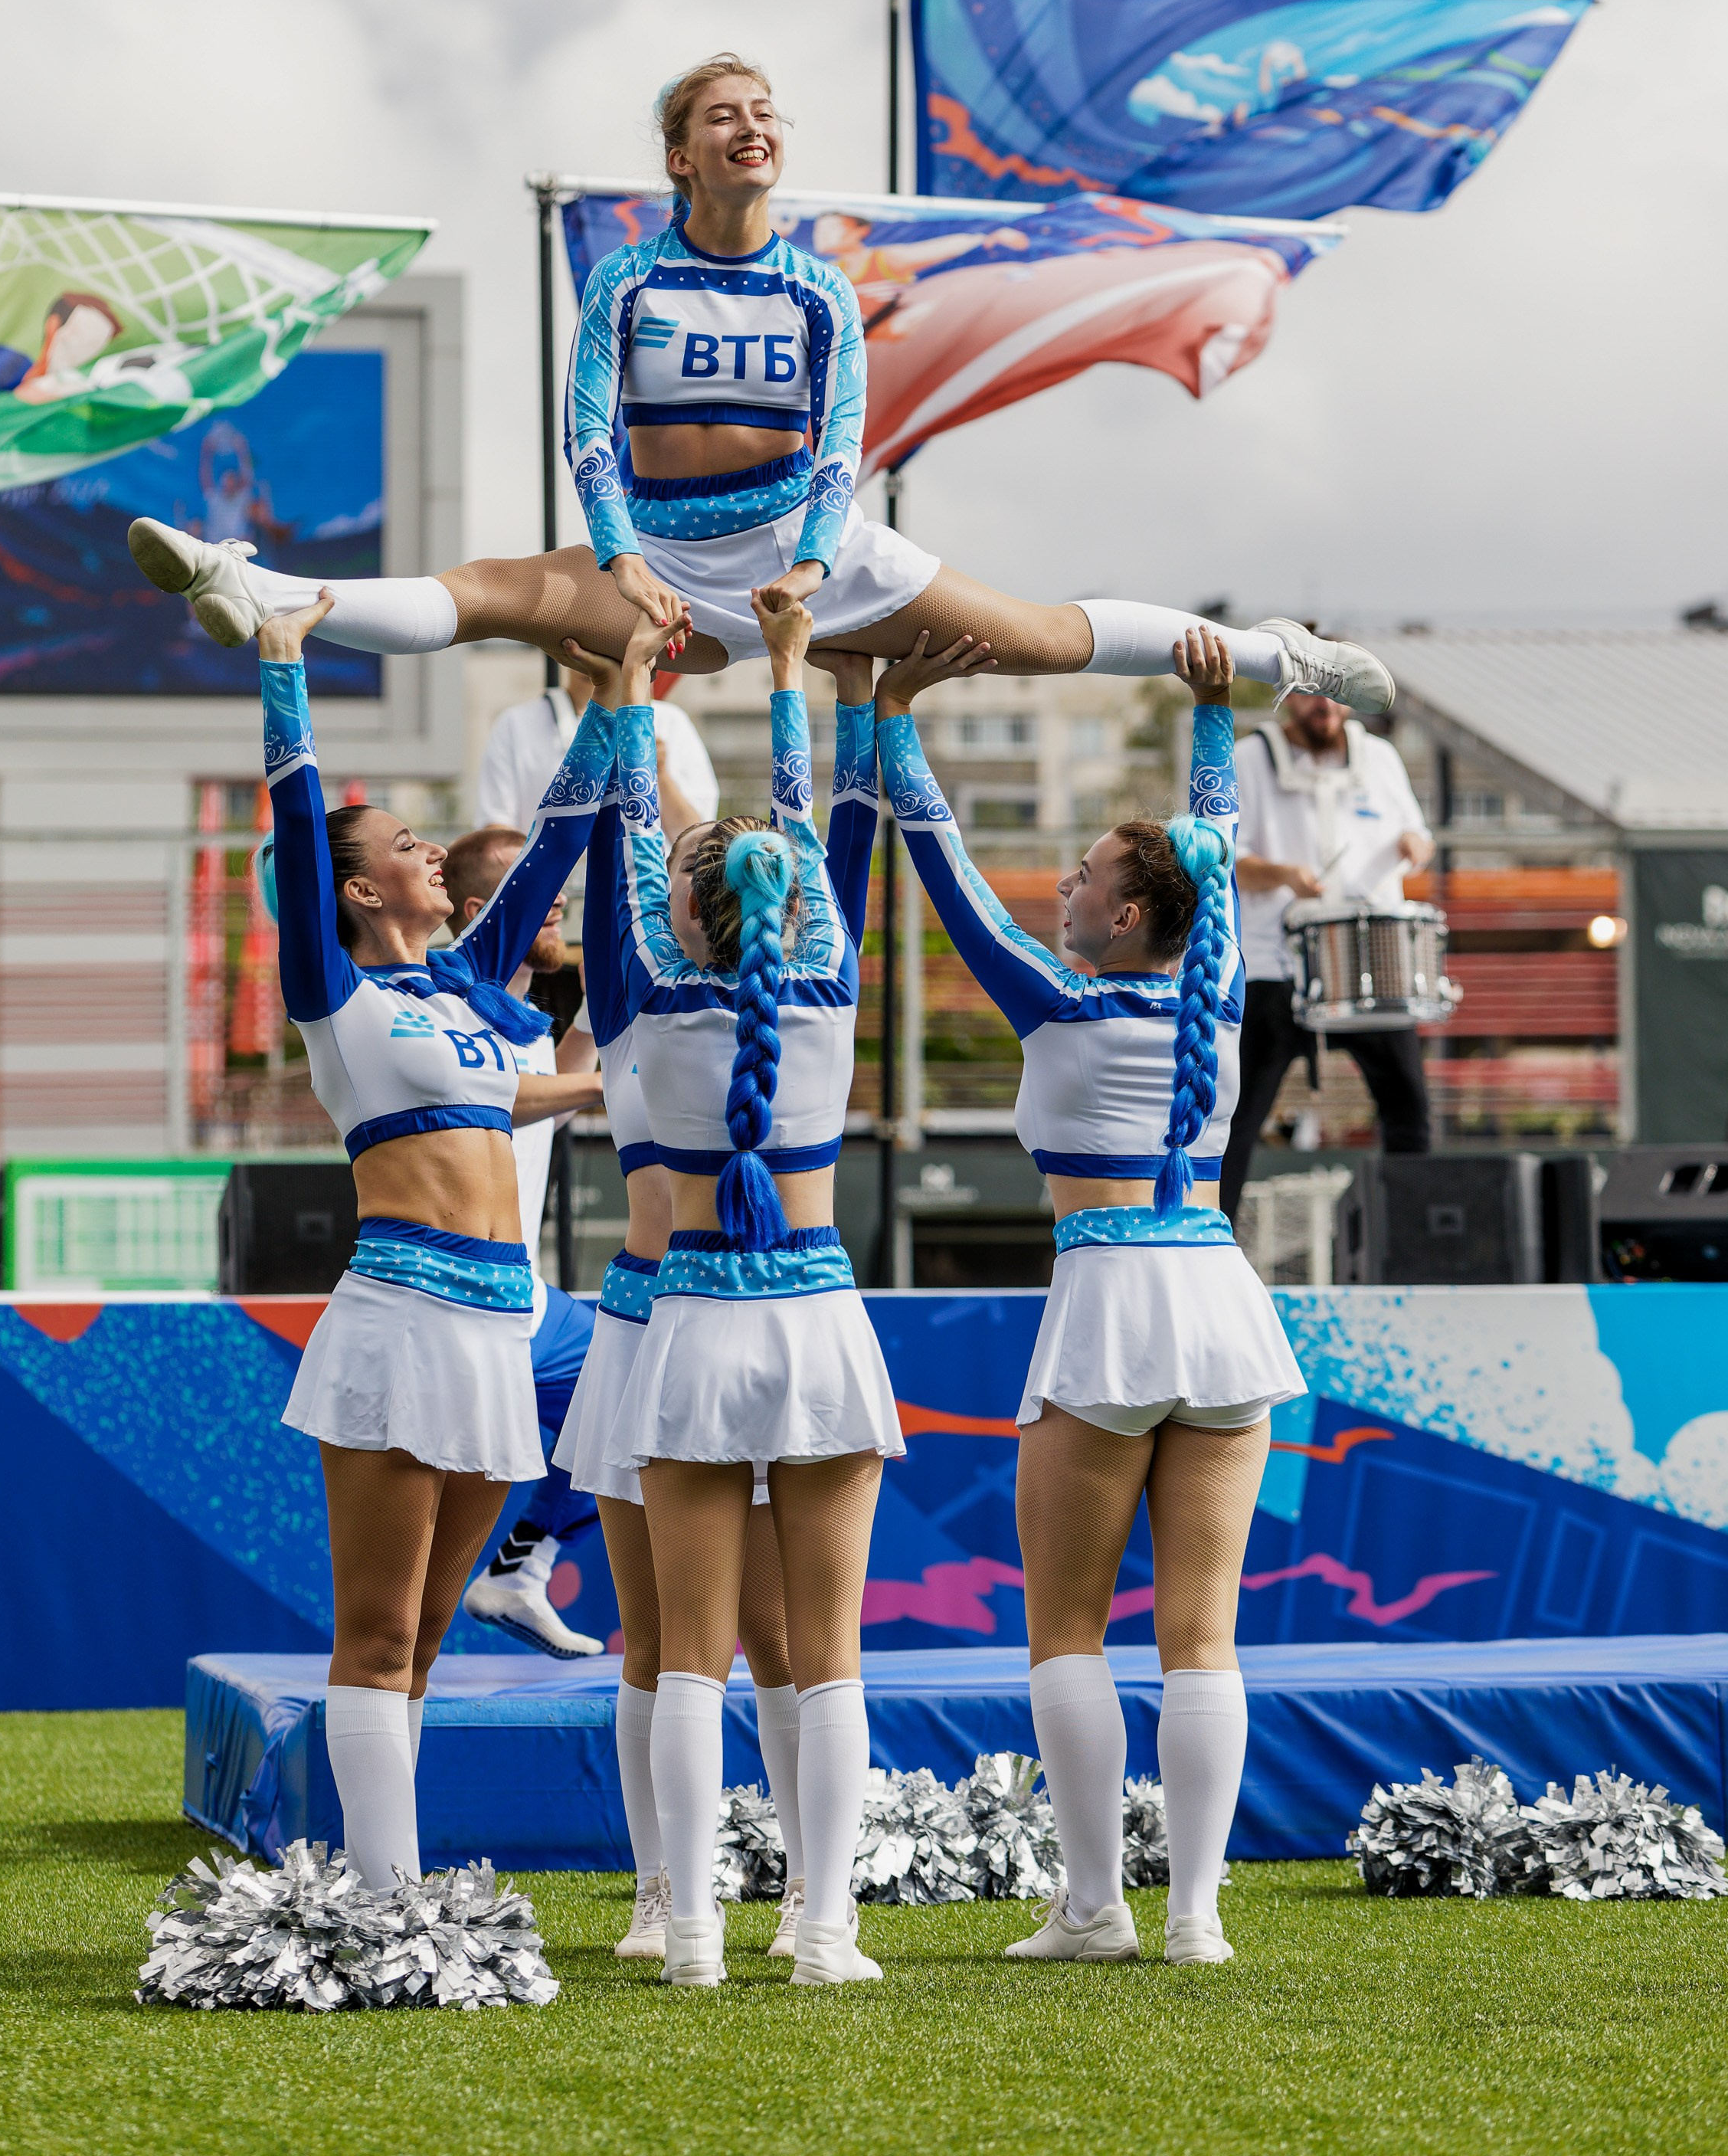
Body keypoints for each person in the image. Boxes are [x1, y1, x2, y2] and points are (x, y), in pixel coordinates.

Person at [122, 56, 1396, 717]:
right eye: (724, 115)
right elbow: (590, 438)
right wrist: (620, 561)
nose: (753, 127)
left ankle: (1280, 656)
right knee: (493, 596)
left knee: (1044, 640)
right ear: (679, 153)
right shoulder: (627, 276)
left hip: (808, 549)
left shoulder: (819, 288)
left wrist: (809, 560)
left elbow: (844, 441)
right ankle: (251, 583)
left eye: (768, 112)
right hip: (664, 558)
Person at [877, 621, 1304, 1968]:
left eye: (1087, 872)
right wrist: (1216, 715)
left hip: (1112, 1302)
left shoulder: (1059, 999)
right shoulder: (1218, 996)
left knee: (1067, 1625)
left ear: (1127, 913)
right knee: (1204, 1633)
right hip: (1222, 1302)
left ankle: (1095, 1907)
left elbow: (942, 870)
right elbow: (1217, 851)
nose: (1062, 881)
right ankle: (1197, 1919)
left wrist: (890, 719)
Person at [253, 583, 614, 1895]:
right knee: (377, 1626)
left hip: (493, 1328)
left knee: (425, 1647)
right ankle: (385, 1900)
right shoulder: (334, 992)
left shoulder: (475, 1000)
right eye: (411, 844)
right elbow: (297, 835)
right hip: (399, 1318)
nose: (435, 857)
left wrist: (619, 696)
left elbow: (561, 844)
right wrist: (282, 665)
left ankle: (384, 1892)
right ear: (359, 886)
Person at [584, 591, 900, 1992]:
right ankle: (823, 1932)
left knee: (689, 1658)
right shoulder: (826, 994)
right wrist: (789, 667)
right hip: (822, 1325)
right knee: (823, 1656)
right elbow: (819, 825)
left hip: (697, 1326)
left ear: (685, 918)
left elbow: (626, 851)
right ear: (796, 911)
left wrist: (638, 693)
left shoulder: (650, 998)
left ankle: (693, 1933)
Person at [434, 826, 607, 1660]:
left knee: (629, 1393)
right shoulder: (447, 1009)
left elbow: (557, 1086)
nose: (561, 899)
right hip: (461, 1300)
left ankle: (520, 1569)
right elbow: (494, 1099)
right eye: (541, 891)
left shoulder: (523, 1020)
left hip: (515, 1300)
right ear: (482, 912)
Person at [1219, 680, 1437, 1219]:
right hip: (1278, 959)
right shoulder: (1248, 758)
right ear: (1288, 697)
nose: (1327, 708)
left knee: (1408, 1106)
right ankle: (1208, 1237)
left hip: (1372, 961)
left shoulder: (1380, 757)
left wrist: (1417, 846)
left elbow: (1420, 834)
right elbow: (1225, 854)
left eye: (1338, 697)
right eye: (1315, 696)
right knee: (1238, 1114)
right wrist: (1284, 876)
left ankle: (1416, 1235)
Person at [478, 663, 718, 840]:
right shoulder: (516, 723)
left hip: (643, 891)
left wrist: (660, 773)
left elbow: (693, 837)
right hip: (552, 894)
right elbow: (498, 832)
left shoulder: (670, 722)